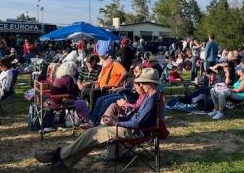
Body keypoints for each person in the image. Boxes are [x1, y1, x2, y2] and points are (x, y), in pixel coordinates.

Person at [34, 68, 162, 171]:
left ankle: (58, 156)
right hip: (131, 128)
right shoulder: (151, 96)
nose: (140, 85)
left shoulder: (151, 100)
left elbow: (137, 122)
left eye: (142, 83)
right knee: (91, 133)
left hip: (134, 132)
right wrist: (118, 118)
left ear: (150, 83)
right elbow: (136, 117)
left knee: (93, 136)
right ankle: (62, 163)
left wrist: (116, 122)